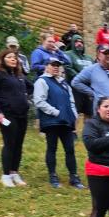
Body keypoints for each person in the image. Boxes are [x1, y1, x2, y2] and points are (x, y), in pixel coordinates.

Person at [33, 57, 83, 190]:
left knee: (70, 149)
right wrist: (55, 112)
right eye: (53, 65)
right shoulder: (42, 81)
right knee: (52, 148)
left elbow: (71, 101)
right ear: (46, 66)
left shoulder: (64, 83)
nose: (56, 67)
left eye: (58, 65)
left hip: (66, 121)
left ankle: (74, 176)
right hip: (52, 122)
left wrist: (74, 114)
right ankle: (53, 176)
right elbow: (39, 101)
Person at [0, 48, 32, 188]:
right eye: (10, 57)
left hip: (22, 115)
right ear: (2, 59)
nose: (14, 59)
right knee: (9, 143)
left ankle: (14, 173)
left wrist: (26, 99)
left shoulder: (19, 76)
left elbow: (31, 87)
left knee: (18, 144)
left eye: (15, 57)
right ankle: (5, 175)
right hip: (7, 115)